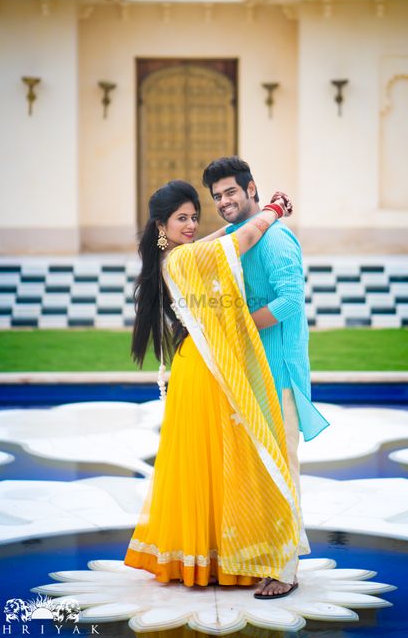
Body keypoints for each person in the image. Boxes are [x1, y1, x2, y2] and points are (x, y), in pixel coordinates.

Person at [124, 180, 303, 598]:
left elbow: (215, 240)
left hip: (197, 370)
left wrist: (229, 228)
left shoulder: (173, 257)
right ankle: (246, 556)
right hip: (206, 374)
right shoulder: (185, 259)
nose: (190, 225)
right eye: (181, 219)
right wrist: (275, 208)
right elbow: (241, 237)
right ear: (161, 227)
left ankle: (213, 557)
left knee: (213, 462)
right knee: (238, 459)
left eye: (193, 216)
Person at [202, 156, 330, 596]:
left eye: (230, 192)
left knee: (282, 469)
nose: (223, 202)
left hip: (280, 373)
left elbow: (292, 301)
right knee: (260, 471)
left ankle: (286, 568)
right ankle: (267, 556)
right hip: (254, 372)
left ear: (251, 188)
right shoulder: (241, 236)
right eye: (217, 196)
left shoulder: (276, 239)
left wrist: (237, 326)